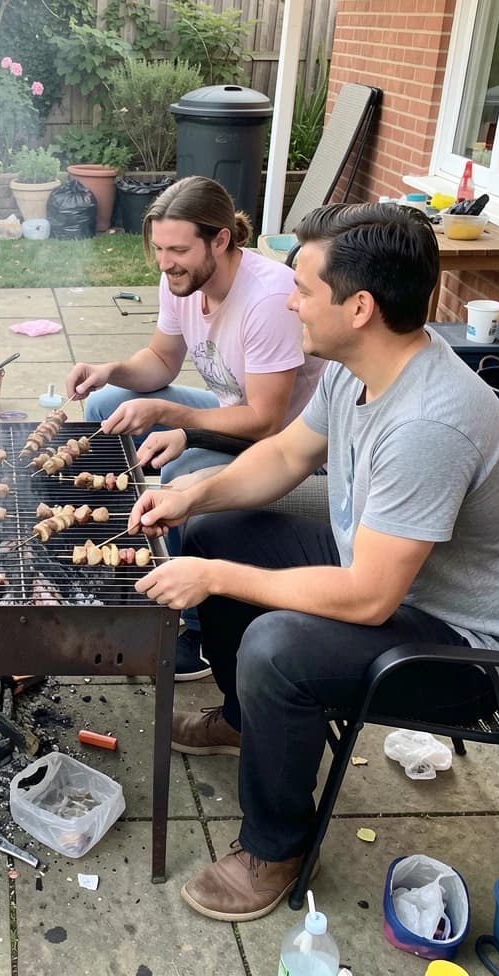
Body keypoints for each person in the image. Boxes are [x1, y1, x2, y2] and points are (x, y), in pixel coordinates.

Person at [128, 202, 499, 922]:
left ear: (361, 306)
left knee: (276, 645)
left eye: (305, 289)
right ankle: (250, 721)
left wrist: (213, 580)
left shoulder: (430, 422)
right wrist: (194, 493)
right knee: (218, 527)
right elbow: (285, 454)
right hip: (385, 573)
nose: (288, 299)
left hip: (465, 650)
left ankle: (275, 845)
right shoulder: (353, 365)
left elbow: (368, 600)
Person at [65, 176, 324, 679]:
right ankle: (126, 546)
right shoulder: (181, 280)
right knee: (109, 406)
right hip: (232, 411)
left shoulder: (268, 300)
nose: (165, 262)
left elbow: (265, 420)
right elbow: (161, 361)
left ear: (221, 240)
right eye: (159, 248)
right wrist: (109, 372)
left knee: (182, 467)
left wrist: (176, 419)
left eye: (179, 249)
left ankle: (191, 629)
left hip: (288, 446)